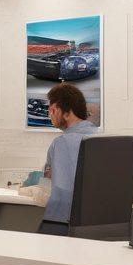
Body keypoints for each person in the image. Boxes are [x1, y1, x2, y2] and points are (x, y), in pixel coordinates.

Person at [37, 83, 98, 235]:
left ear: (67, 112)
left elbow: (53, 186)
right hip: (100, 225)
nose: (50, 115)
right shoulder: (102, 138)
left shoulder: (60, 144)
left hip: (63, 224)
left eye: (53, 110)